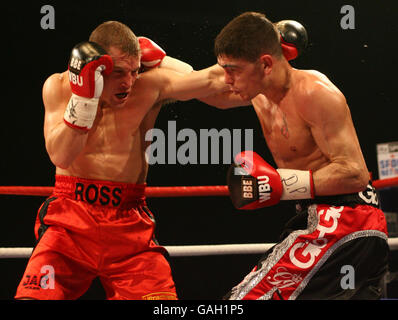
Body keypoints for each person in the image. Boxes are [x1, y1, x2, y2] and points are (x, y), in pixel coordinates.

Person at [14, 20, 234, 300]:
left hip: (129, 224)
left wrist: (166, 60)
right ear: (96, 64)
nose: (128, 82)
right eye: (118, 72)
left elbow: (218, 86)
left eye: (134, 70)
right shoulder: (59, 87)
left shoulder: (149, 86)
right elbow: (61, 155)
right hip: (69, 222)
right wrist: (84, 100)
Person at [207, 12, 389, 300]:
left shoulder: (314, 92)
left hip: (345, 218)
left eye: (233, 70)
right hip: (324, 222)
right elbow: (189, 85)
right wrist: (150, 62)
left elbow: (354, 173)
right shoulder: (253, 89)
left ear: (266, 64)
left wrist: (280, 184)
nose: (225, 79)